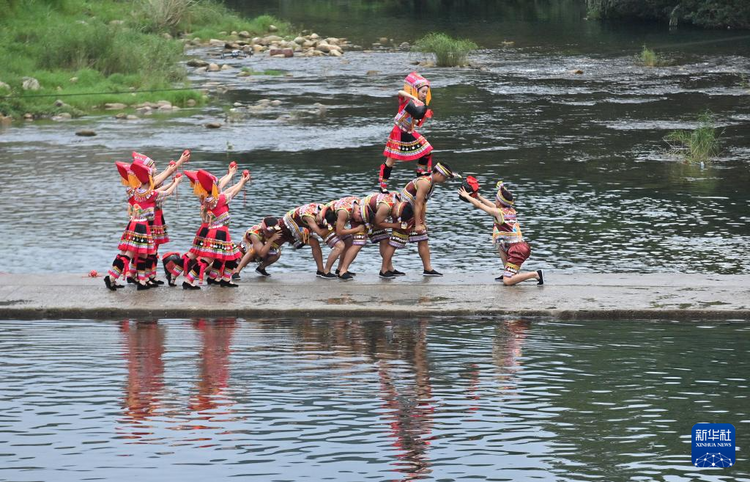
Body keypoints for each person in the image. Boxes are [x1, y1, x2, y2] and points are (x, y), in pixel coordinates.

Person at [104, 158, 183, 291]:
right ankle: (113, 277)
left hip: (132, 225)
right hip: (142, 226)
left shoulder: (136, 191)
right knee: (132, 254)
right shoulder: (151, 194)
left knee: (139, 254)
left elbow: (159, 190)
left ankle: (139, 280)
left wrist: (171, 181)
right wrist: (176, 183)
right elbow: (167, 193)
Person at [381, 162, 460, 278]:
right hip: (404, 212)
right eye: (444, 177)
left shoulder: (431, 183)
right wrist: (418, 224)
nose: (445, 180)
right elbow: (418, 203)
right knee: (395, 242)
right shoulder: (425, 183)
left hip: (413, 211)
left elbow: (422, 203)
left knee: (423, 239)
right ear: (437, 173)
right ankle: (384, 270)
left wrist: (423, 222)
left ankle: (428, 269)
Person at [458, 180, 544, 286]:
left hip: (517, 249)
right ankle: (509, 272)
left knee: (507, 282)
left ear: (499, 202)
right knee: (500, 244)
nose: (495, 201)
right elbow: (491, 206)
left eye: (496, 199)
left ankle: (536, 274)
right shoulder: (509, 210)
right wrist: (479, 196)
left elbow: (480, 206)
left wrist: (467, 196)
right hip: (514, 245)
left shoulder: (498, 212)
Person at [185, 168, 250, 289]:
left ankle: (223, 279)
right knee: (208, 259)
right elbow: (233, 192)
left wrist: (237, 178)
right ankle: (189, 280)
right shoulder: (219, 199)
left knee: (232, 256)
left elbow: (228, 190)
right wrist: (242, 182)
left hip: (217, 231)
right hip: (219, 232)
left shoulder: (207, 198)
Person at [337, 192, 415, 279]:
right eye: (395, 215)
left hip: (374, 215)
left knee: (385, 240)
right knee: (358, 243)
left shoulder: (400, 200)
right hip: (361, 214)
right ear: (398, 208)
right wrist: (395, 225)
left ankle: (388, 268)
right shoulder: (385, 207)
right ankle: (343, 270)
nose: (394, 216)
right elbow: (378, 223)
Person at [378, 72, 434, 192]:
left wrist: (423, 117)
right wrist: (413, 98)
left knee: (427, 149)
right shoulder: (407, 100)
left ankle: (420, 172)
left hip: (408, 131)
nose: (424, 94)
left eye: (426, 92)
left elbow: (415, 123)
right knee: (391, 161)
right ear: (416, 90)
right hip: (398, 132)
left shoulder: (421, 106)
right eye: (422, 92)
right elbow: (399, 92)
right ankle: (383, 186)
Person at [282, 203, 345, 279]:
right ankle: (296, 240)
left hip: (308, 218)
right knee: (314, 242)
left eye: (321, 222)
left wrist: (333, 227)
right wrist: (333, 228)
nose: (318, 223)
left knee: (334, 244)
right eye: (320, 222)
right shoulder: (309, 216)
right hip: (293, 220)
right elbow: (320, 232)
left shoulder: (325, 210)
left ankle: (322, 271)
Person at [326, 196, 366, 280]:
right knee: (340, 246)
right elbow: (339, 232)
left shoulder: (360, 203)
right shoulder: (344, 212)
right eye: (360, 218)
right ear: (358, 212)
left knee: (349, 242)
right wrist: (357, 229)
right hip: (326, 220)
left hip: (335, 218)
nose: (359, 221)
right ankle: (325, 271)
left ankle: (340, 269)